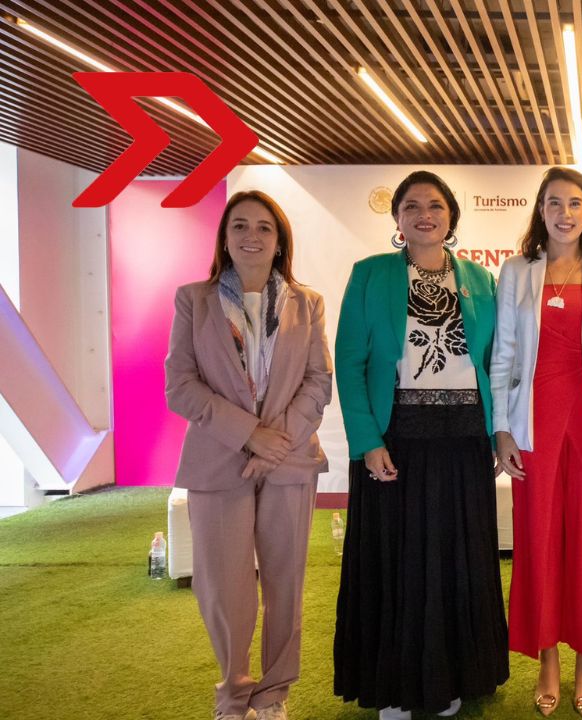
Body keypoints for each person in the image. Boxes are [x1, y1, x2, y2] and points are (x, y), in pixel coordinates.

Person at [332, 170, 508, 719]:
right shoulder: (370, 274)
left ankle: (453, 678)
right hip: (395, 444)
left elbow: (493, 363)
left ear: (451, 217)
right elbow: (349, 362)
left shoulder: (480, 279)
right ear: (397, 218)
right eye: (411, 206)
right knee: (398, 565)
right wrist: (367, 442)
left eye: (435, 205)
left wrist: (497, 434)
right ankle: (397, 686)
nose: (424, 215)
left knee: (458, 562)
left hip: (464, 442)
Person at [165, 190, 333, 720]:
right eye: (239, 226)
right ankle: (234, 696)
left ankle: (274, 694)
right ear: (224, 238)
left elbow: (318, 381)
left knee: (285, 584)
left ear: (280, 240)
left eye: (264, 227)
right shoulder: (194, 300)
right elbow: (180, 386)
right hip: (218, 462)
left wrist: (275, 441)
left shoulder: (307, 302)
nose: (252, 236)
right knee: (223, 589)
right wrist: (248, 435)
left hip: (289, 462)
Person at [491, 166, 582, 718]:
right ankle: (547, 660)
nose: (565, 213)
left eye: (575, 203)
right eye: (554, 203)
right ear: (541, 210)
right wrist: (501, 428)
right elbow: (504, 354)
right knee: (540, 542)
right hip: (534, 424)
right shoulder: (516, 271)